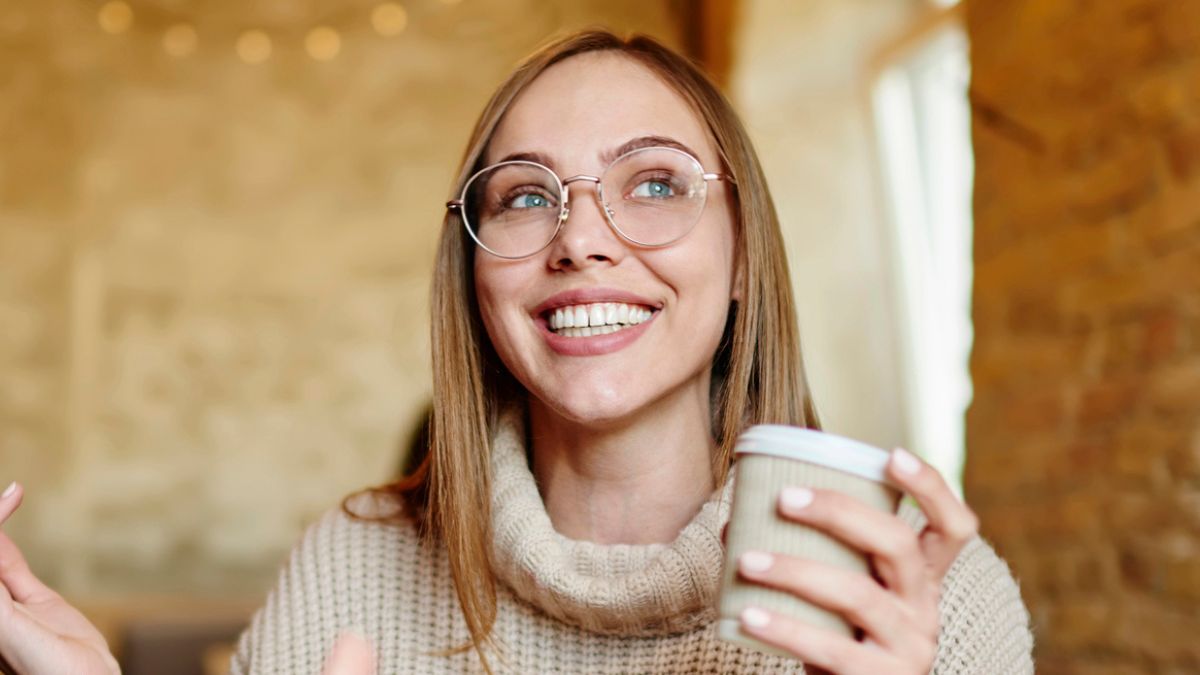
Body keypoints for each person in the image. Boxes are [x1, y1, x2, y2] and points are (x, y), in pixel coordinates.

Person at [0, 29, 1033, 675]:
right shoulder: (355, 567)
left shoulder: (918, 593)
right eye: (528, 196)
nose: (581, 238)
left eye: (656, 184)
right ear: (477, 277)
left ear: (744, 261)